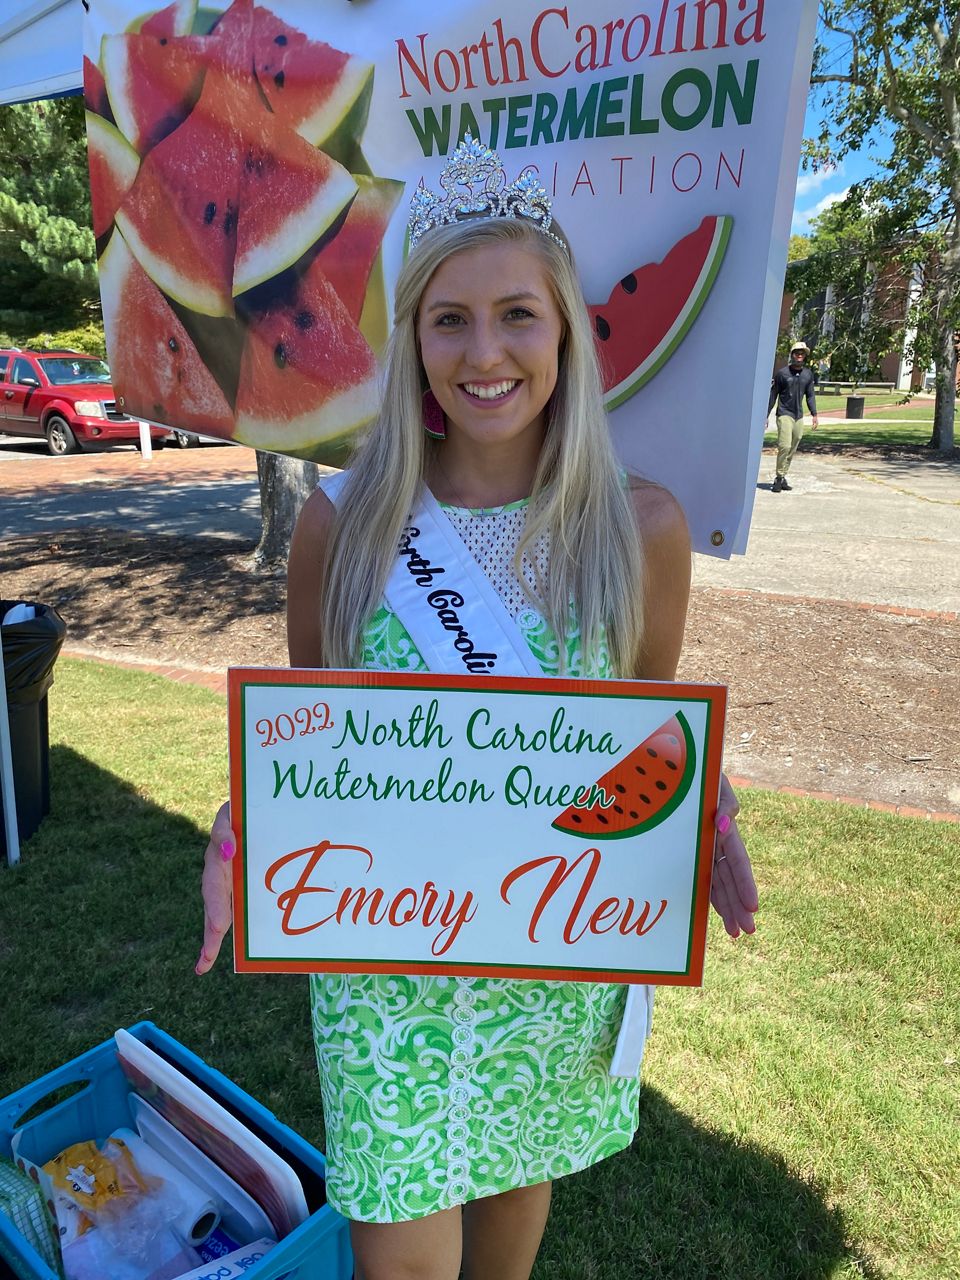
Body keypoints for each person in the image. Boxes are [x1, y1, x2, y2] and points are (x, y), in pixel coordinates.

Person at [196, 135, 759, 1280]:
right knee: (401, 1260)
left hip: (545, 951)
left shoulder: (639, 532)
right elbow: (311, 742)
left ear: (566, 333)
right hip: (384, 969)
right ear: (410, 338)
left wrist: (707, 806)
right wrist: (243, 822)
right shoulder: (339, 526)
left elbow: (644, 731)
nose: (485, 350)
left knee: (505, 1255)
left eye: (518, 313)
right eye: (448, 318)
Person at [767, 339, 819, 491]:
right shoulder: (782, 374)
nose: (799, 356)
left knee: (794, 445)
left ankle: (783, 476)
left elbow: (810, 396)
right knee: (784, 445)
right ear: (792, 355)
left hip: (799, 415)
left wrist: (814, 414)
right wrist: (766, 414)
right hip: (784, 413)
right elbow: (773, 394)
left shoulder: (808, 375)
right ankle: (778, 477)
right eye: (797, 353)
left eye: (802, 354)